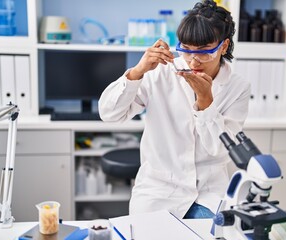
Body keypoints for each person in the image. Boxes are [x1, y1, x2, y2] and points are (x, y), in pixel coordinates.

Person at [98, 0, 250, 219]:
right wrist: (138, 72)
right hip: (158, 192)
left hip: (208, 194)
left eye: (204, 51)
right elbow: (109, 114)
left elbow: (221, 149)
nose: (193, 61)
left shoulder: (238, 87)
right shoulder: (161, 72)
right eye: (186, 50)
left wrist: (206, 101)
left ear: (223, 46)